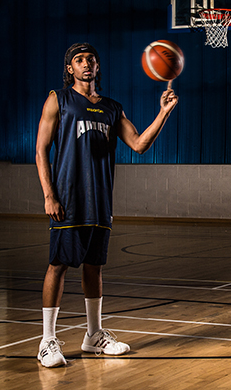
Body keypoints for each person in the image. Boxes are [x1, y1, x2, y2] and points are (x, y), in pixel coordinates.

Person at [34, 42, 178, 368]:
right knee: (58, 264)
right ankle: (47, 341)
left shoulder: (112, 108)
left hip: (100, 200)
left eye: (91, 59)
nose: (87, 64)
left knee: (94, 267)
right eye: (79, 60)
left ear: (97, 67)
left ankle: (93, 335)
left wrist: (163, 113)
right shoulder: (59, 99)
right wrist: (49, 195)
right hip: (68, 199)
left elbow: (139, 144)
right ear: (70, 68)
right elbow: (42, 150)